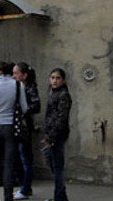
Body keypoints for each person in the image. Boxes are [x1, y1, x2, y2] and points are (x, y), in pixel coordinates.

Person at [0, 61, 28, 201]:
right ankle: (8, 197)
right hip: (11, 128)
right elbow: (25, 108)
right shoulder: (17, 85)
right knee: (9, 164)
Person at [41, 68, 72, 201]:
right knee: (53, 165)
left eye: (57, 78)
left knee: (57, 167)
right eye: (52, 77)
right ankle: (61, 195)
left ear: (63, 80)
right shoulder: (53, 93)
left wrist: (50, 137)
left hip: (56, 136)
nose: (54, 80)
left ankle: (59, 197)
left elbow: (61, 118)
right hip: (51, 134)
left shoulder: (63, 95)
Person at [12, 62, 41, 200]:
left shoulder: (29, 88)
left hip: (24, 127)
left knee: (25, 158)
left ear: (24, 75)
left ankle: (25, 188)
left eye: (15, 73)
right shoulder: (19, 87)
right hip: (19, 126)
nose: (13, 76)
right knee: (19, 157)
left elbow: (36, 106)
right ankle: (25, 187)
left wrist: (23, 111)